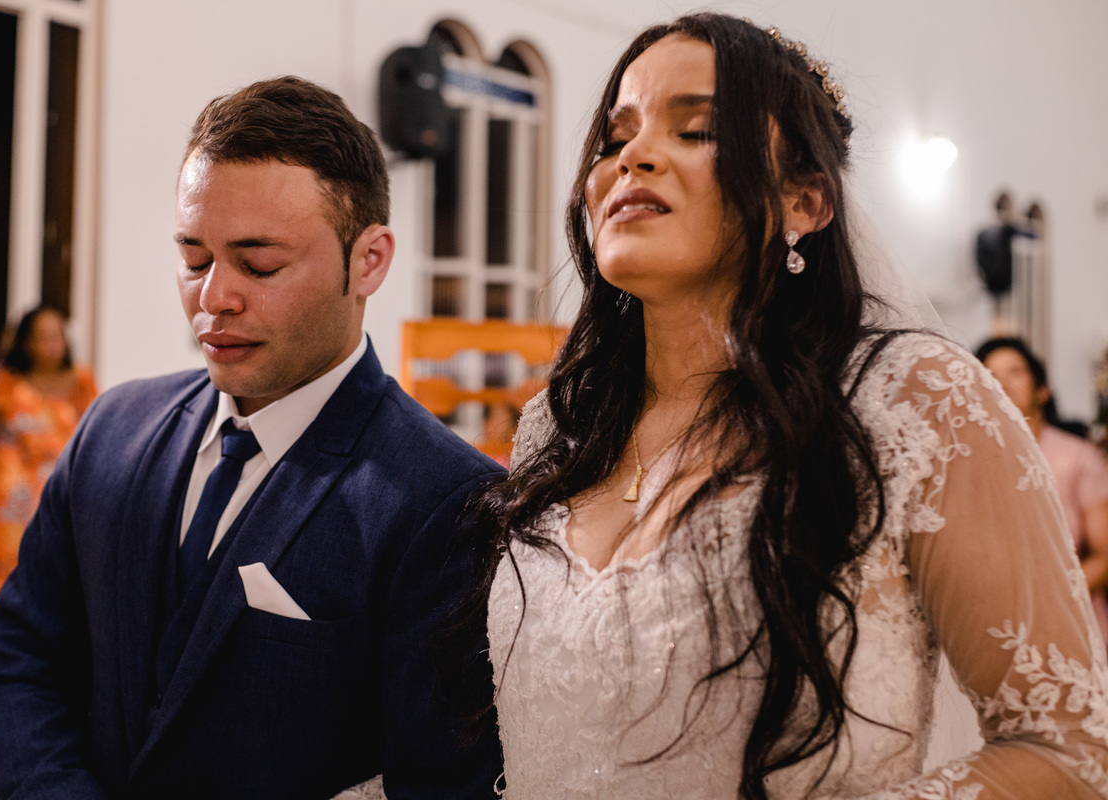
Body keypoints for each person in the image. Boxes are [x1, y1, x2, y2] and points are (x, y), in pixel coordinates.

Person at [475, 12, 1108, 799]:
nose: (633, 156)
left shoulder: (913, 401)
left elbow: (1068, 753)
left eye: (697, 130)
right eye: (616, 137)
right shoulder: (560, 426)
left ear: (805, 202)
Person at [0, 76, 503, 799]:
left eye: (260, 264)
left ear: (369, 260)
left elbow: (436, 780)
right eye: (194, 259)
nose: (214, 297)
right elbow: (19, 656)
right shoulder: (111, 428)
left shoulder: (449, 501)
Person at [0, 305, 98, 610]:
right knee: (7, 603)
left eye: (57, 336)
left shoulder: (82, 383)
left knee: (58, 599)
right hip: (10, 516)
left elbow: (98, 440)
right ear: (25, 343)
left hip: (61, 510)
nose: (52, 345)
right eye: (42, 337)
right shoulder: (6, 383)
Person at [976, 336, 1108, 645]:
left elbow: (1103, 554)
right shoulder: (970, 459)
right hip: (993, 620)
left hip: (1070, 616)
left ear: (1043, 389)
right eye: (990, 375)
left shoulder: (1077, 456)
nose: (1002, 383)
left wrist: (1050, 601)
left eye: (1015, 372)